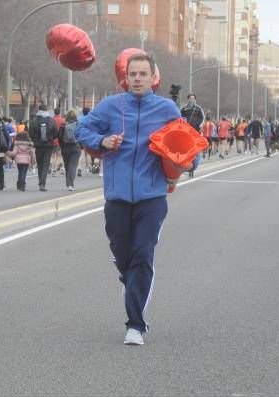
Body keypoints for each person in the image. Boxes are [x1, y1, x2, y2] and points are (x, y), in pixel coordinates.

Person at [75, 53, 198, 346]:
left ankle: (135, 325)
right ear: (126, 78)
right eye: (134, 74)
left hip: (152, 196)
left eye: (144, 74)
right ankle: (129, 276)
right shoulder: (110, 106)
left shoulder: (166, 109)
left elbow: (189, 144)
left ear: (153, 77)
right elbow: (80, 129)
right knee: (124, 255)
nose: (138, 79)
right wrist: (101, 141)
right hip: (117, 197)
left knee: (143, 255)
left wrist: (187, 165)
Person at [29, 104, 58, 191]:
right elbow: (56, 134)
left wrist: (35, 140)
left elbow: (31, 134)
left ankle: (40, 181)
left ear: (39, 110)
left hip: (38, 146)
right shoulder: (52, 121)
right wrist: (50, 138)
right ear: (47, 111)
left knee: (40, 164)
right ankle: (42, 183)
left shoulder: (34, 121)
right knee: (46, 164)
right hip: (48, 146)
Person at [180, 93, 204, 178]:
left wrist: (200, 126)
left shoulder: (198, 108)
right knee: (185, 148)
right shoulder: (184, 109)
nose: (192, 100)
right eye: (190, 98)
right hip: (186, 132)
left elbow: (202, 118)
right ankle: (186, 163)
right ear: (188, 99)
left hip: (196, 132)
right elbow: (180, 118)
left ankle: (194, 163)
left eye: (193, 98)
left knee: (195, 149)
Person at [58, 110, 82, 191]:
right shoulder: (78, 125)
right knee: (73, 166)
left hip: (65, 147)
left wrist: (62, 145)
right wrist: (81, 146)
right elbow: (82, 136)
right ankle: (70, 184)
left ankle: (68, 183)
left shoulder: (63, 125)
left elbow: (60, 137)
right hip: (76, 147)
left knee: (67, 165)